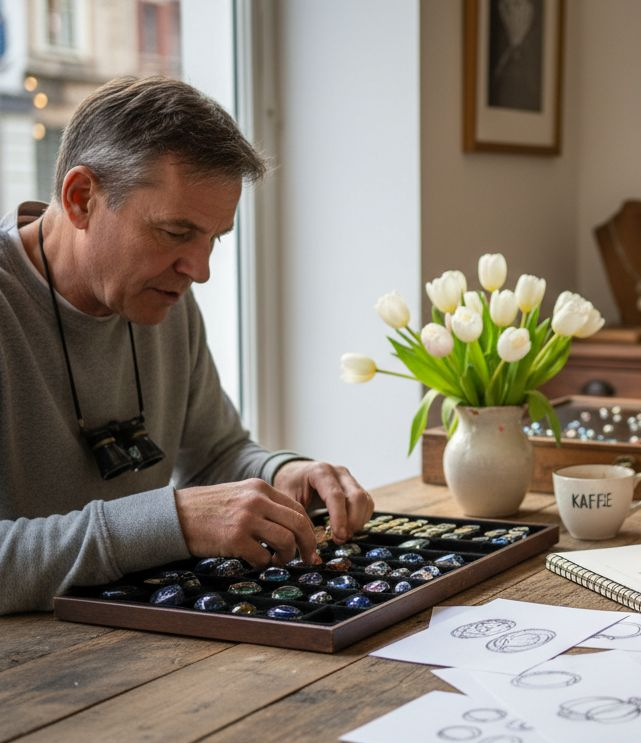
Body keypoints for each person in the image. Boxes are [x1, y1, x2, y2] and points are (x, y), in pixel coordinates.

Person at [0, 76, 373, 615]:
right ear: (81, 199)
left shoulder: (158, 292)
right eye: (176, 233)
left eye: (213, 239)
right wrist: (171, 522)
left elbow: (216, 453)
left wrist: (280, 474)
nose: (199, 271)